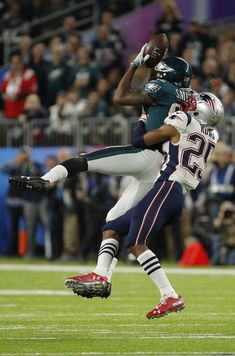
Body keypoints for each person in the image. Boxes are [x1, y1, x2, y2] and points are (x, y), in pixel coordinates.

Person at [64, 92, 224, 318]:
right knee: (112, 226)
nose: (188, 104)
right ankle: (101, 275)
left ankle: (169, 295)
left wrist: (143, 119)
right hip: (174, 192)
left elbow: (144, 139)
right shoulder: (212, 134)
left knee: (137, 243)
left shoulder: (184, 120)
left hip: (167, 188)